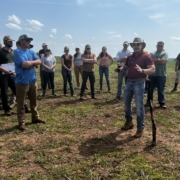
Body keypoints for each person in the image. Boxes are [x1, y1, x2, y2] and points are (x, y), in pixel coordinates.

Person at [119, 37, 155, 138]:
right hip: (129, 82)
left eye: (138, 44)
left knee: (139, 106)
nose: (136, 46)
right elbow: (125, 67)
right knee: (126, 104)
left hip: (139, 82)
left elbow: (152, 69)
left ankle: (140, 128)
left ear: (142, 46)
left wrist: (143, 71)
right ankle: (129, 122)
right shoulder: (130, 57)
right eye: (134, 45)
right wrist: (120, 69)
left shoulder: (146, 56)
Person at [14, 34, 46, 131]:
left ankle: (35, 118)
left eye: (29, 40)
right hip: (22, 82)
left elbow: (39, 61)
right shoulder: (17, 52)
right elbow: (24, 64)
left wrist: (31, 63)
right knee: (21, 103)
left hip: (32, 80)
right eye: (27, 40)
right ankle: (21, 123)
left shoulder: (31, 51)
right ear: (21, 41)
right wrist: (34, 63)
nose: (29, 42)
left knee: (34, 101)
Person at [146, 41, 168, 109]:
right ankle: (149, 101)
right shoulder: (152, 53)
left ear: (163, 47)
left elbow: (163, 61)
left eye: (161, 46)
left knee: (161, 89)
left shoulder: (165, 53)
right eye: (159, 45)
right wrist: (158, 59)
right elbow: (149, 61)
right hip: (152, 74)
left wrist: (154, 60)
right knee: (150, 89)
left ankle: (162, 102)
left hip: (161, 75)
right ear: (156, 46)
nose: (160, 47)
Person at [0, 35, 16, 116]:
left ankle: (25, 107)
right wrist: (4, 70)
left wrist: (15, 71)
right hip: (3, 76)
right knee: (4, 93)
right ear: (5, 42)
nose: (11, 42)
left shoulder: (13, 52)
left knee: (18, 91)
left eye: (12, 41)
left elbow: (15, 63)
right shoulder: (1, 52)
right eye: (9, 41)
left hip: (13, 75)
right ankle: (6, 109)